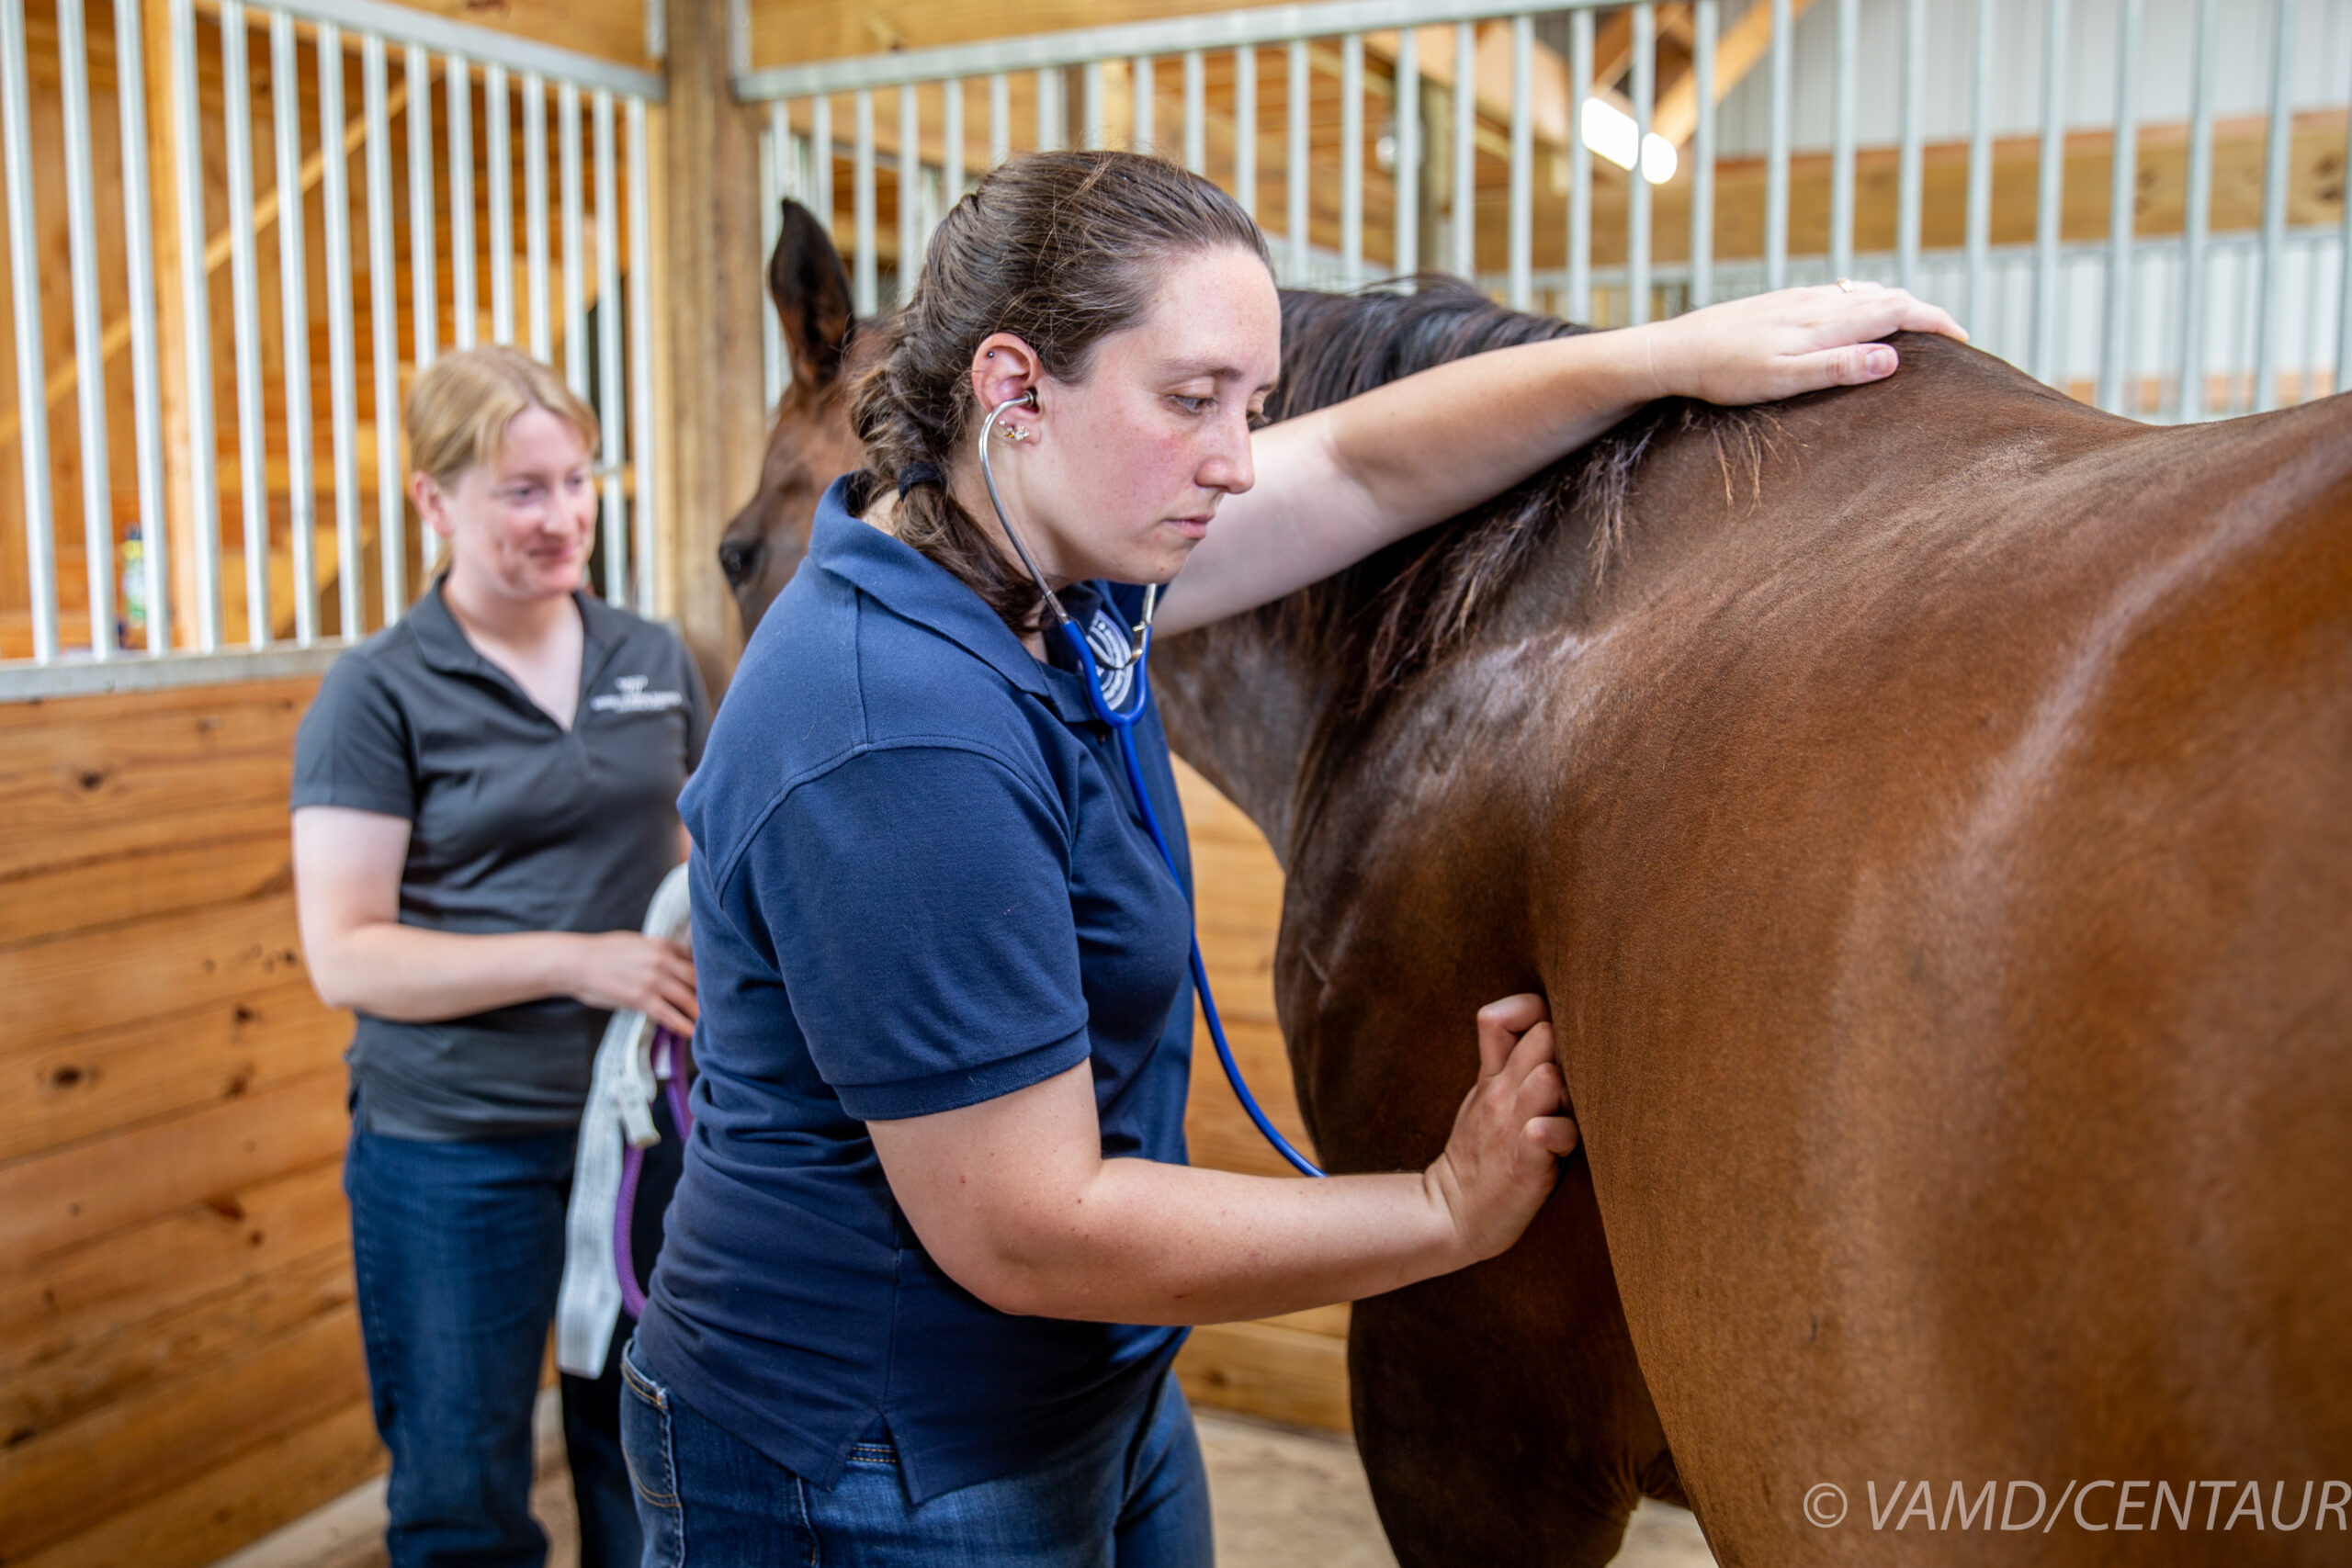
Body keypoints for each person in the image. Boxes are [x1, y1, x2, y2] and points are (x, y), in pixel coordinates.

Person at [624, 151, 1963, 1565]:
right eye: (1193, 400)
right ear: (1014, 388)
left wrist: (1665, 355)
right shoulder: (895, 732)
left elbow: (1369, 461)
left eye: (1251, 403)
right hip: (873, 1463)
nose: (1240, 458)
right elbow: (1032, 1228)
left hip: (1084, 1392)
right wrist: (1443, 1212)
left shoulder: (1049, 569)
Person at [290, 345, 709, 1568]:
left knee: (642, 1464)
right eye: (522, 491)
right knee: (461, 1491)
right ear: (434, 501)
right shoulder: (376, 694)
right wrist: (579, 963)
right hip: (455, 1149)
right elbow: (348, 958)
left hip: (638, 1140)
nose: (564, 515)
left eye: (578, 480)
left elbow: (693, 878)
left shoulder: (651, 657)